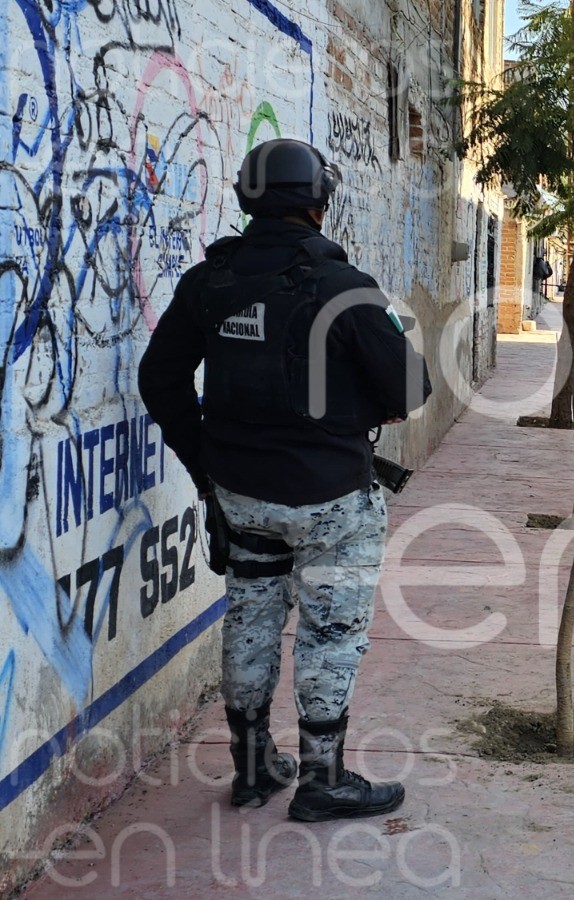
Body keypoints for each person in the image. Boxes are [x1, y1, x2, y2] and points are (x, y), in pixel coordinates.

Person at [139, 139, 430, 822]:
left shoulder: (209, 282)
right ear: (319, 203)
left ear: (249, 200)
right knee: (331, 633)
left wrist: (203, 467)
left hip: (240, 496)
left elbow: (159, 378)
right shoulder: (342, 286)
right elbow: (411, 388)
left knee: (251, 617)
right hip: (332, 501)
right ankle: (323, 780)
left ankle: (252, 768)